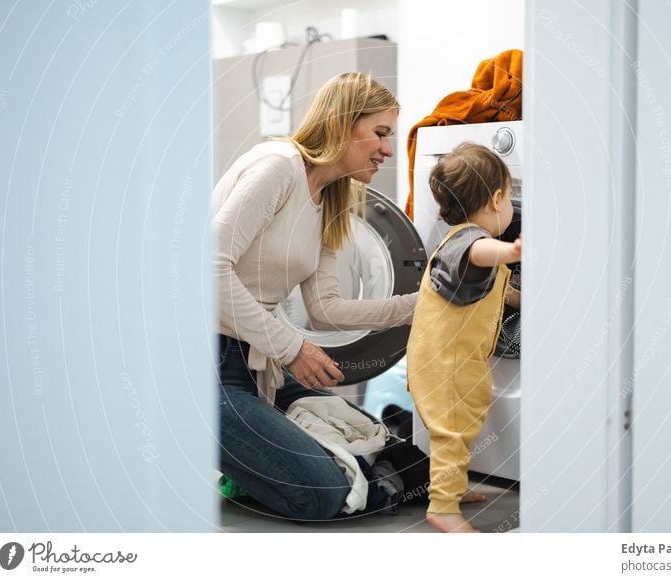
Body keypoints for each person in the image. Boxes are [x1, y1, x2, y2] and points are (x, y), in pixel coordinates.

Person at [214, 72, 417, 521]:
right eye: (380, 133)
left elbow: (326, 310)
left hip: (259, 365)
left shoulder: (329, 197)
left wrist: (424, 307)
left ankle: (264, 460)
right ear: (339, 121)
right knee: (320, 492)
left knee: (384, 444)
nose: (387, 148)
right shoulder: (278, 167)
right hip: (207, 365)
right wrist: (292, 348)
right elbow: (208, 267)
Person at [406, 142, 522, 533]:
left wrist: (521, 298)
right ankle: (443, 509)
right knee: (454, 430)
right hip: (448, 364)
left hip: (440, 359)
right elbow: (482, 254)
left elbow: (492, 288)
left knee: (459, 428)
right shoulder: (469, 242)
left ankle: (450, 489)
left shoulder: (452, 240)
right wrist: (513, 249)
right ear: (498, 198)